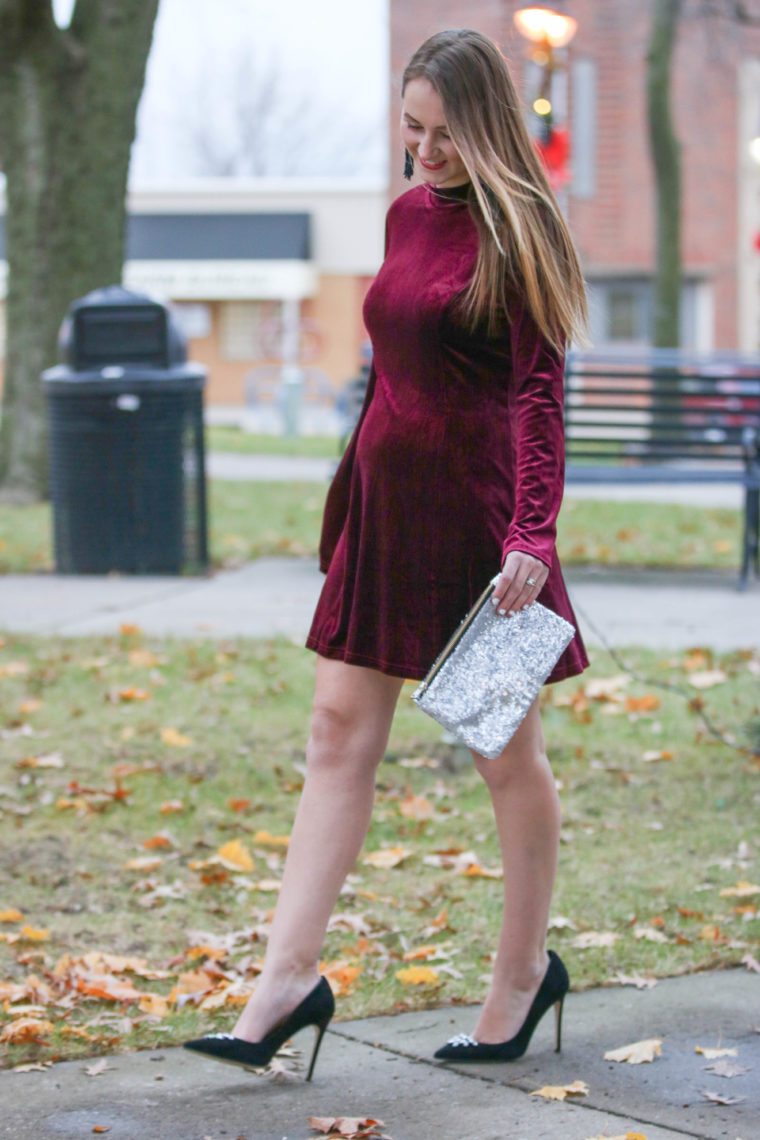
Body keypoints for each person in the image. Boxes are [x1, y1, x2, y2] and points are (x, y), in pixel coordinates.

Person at [184, 27, 589, 1080]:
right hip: (384, 509)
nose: (423, 152)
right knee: (332, 735)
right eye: (410, 129)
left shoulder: (522, 224)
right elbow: (385, 373)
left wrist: (533, 531)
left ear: (486, 129)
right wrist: (344, 497)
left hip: (482, 528)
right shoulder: (403, 214)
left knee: (503, 758)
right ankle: (284, 981)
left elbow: (538, 395)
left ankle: (518, 978)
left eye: (444, 134)